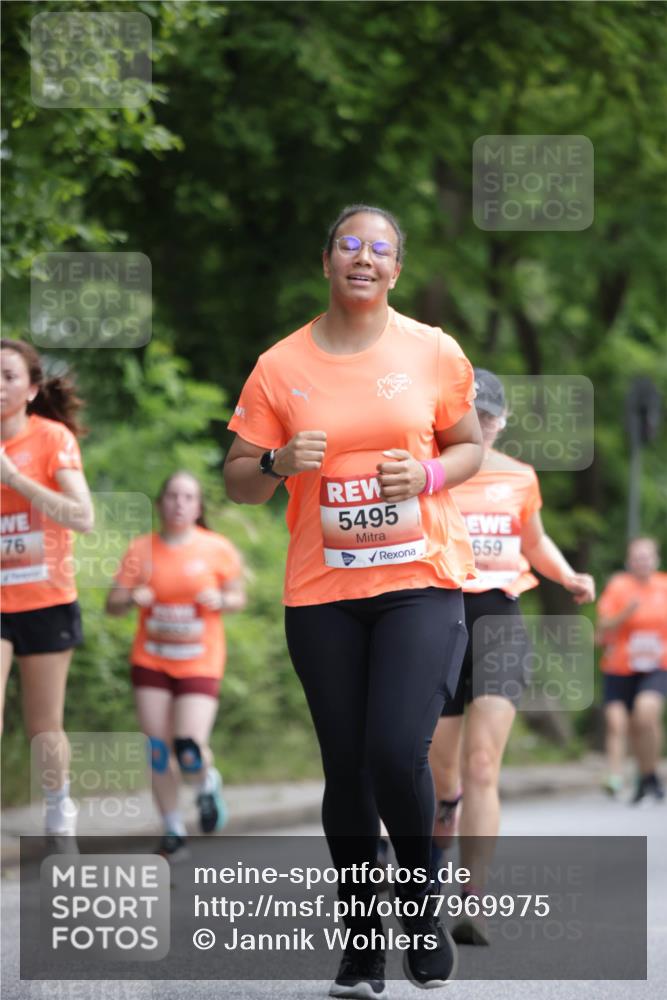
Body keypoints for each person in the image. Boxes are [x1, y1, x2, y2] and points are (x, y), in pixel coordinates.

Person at [224, 204, 483, 998]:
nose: (362, 259)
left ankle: (419, 901)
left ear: (395, 270)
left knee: (395, 749)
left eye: (379, 250)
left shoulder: (432, 350)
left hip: (419, 581)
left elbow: (470, 444)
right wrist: (273, 461)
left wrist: (430, 474)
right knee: (346, 770)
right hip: (323, 592)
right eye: (349, 246)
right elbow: (238, 484)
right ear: (326, 260)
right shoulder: (279, 365)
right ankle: (363, 945)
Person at [429, 368, 596, 945]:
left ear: (502, 422)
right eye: (473, 415)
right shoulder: (434, 470)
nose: (483, 424)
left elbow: (533, 541)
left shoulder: (519, 477)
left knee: (482, 766)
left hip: (499, 620)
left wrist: (568, 574)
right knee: (440, 769)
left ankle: (472, 902)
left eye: (491, 416)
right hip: (440, 618)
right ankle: (443, 809)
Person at [106, 470, 245, 860]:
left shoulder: (216, 548)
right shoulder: (140, 550)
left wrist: (221, 599)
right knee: (158, 749)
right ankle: (172, 829)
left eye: (188, 497)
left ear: (198, 507)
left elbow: (237, 597)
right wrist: (133, 598)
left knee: (188, 744)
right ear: (160, 502)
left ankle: (205, 783)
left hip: (200, 659)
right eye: (172, 496)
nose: (179, 504)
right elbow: (112, 606)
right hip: (151, 659)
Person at [1, 339, 94, 843]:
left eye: (8, 376)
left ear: (32, 389)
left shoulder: (51, 439)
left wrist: (13, 478)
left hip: (45, 597)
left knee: (43, 728)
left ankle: (59, 809)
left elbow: (83, 517)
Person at [597, 536, 667, 803]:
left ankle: (648, 773)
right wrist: (625, 613)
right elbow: (602, 627)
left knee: (645, 714)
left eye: (647, 557)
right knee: (617, 723)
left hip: (657, 665)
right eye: (637, 557)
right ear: (629, 561)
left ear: (656, 559)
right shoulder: (618, 586)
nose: (642, 562)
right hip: (621, 665)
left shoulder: (664, 586)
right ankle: (634, 776)